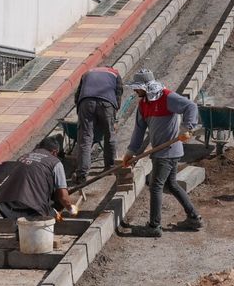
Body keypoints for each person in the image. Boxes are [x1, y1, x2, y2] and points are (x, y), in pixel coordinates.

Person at [122, 69, 203, 237]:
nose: (135, 91)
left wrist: (187, 128)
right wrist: (131, 151)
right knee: (171, 184)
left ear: (145, 87)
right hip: (164, 152)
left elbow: (191, 106)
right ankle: (194, 218)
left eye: (137, 88)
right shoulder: (143, 104)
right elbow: (139, 129)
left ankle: (154, 226)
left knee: (155, 186)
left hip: (167, 151)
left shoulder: (167, 97)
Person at [0, 136, 78, 219]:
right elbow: (63, 196)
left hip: (6, 208)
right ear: (55, 152)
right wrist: (71, 208)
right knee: (55, 215)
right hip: (30, 211)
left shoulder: (23, 157)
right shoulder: (55, 162)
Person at [73, 66, 124, 184]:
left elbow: (77, 95)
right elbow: (118, 94)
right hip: (107, 103)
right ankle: (110, 167)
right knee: (110, 136)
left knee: (85, 139)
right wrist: (113, 116)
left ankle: (82, 174)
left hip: (86, 102)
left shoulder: (87, 72)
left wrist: (82, 112)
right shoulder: (115, 73)